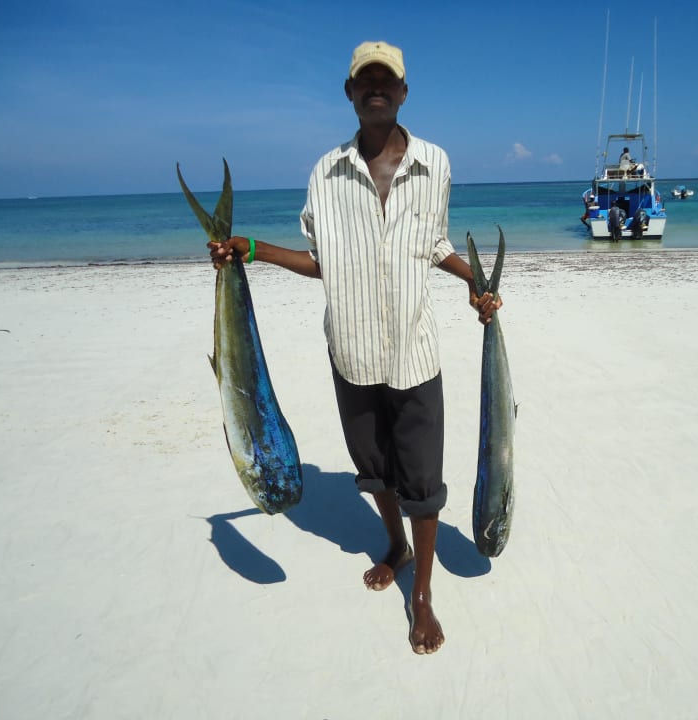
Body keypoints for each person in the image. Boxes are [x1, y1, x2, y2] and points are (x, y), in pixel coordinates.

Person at [208, 40, 501, 655]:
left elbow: (435, 243)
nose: (375, 89)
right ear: (349, 94)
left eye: (385, 81)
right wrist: (252, 249)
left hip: (416, 356)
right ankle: (392, 545)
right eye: (364, 81)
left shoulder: (435, 164)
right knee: (376, 473)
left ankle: (420, 594)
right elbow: (320, 262)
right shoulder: (326, 172)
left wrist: (476, 283)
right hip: (353, 355)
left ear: (401, 91)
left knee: (422, 481)